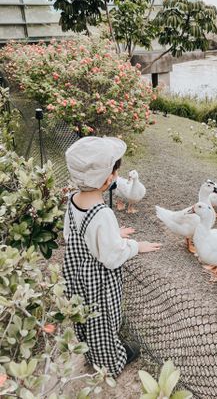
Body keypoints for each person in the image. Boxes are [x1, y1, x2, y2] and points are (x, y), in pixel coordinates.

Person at [63, 136, 161, 375]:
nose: (117, 176)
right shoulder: (102, 213)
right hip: (98, 283)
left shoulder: (72, 200)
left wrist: (111, 234)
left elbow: (74, 234)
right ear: (108, 178)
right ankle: (112, 362)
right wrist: (134, 245)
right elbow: (112, 256)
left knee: (85, 318)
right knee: (103, 322)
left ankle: (90, 352)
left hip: (77, 277)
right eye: (116, 171)